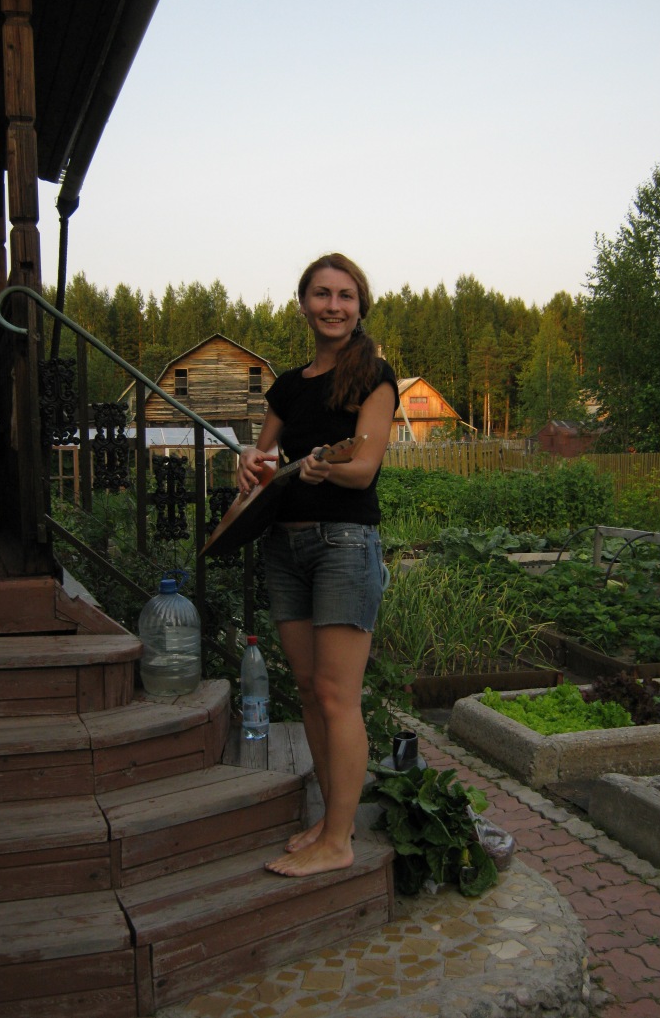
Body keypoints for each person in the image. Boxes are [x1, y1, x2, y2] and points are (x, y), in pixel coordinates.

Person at [236, 252, 398, 877]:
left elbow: (365, 470)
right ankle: (333, 821)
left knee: (336, 695)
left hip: (344, 546)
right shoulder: (287, 385)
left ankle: (338, 842)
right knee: (307, 690)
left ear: (360, 307)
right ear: (303, 304)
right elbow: (263, 461)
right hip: (285, 546)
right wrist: (247, 463)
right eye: (322, 294)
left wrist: (325, 468)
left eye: (345, 295)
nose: (334, 305)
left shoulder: (373, 376)